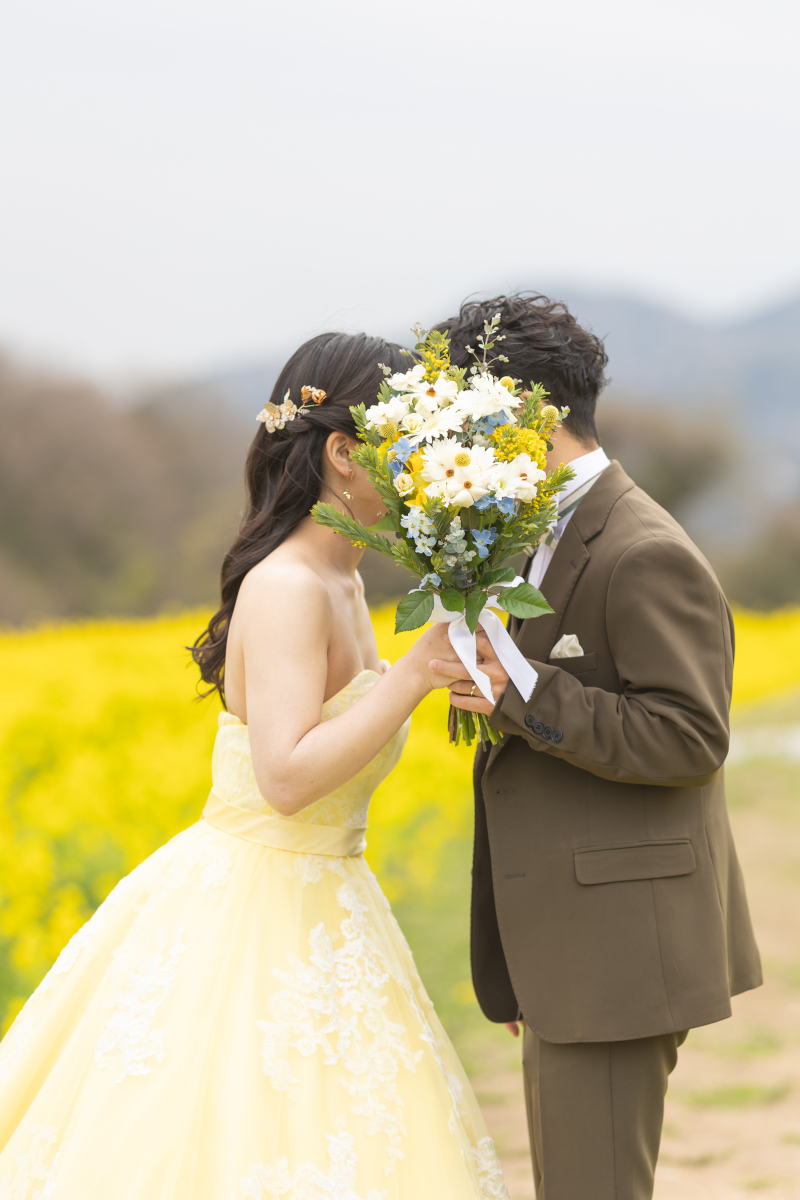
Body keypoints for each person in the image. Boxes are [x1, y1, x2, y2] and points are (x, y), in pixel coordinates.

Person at [0, 332, 508, 1200]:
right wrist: (418, 673)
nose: (431, 469)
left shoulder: (345, 580)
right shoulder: (288, 587)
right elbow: (283, 779)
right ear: (345, 455)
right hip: (251, 908)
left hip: (332, 900)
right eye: (412, 446)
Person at [428, 294, 762, 1200]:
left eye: (462, 413)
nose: (446, 436)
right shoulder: (531, 529)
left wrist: (519, 691)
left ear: (530, 414)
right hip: (572, 950)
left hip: (617, 953)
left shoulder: (642, 547)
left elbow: (691, 735)